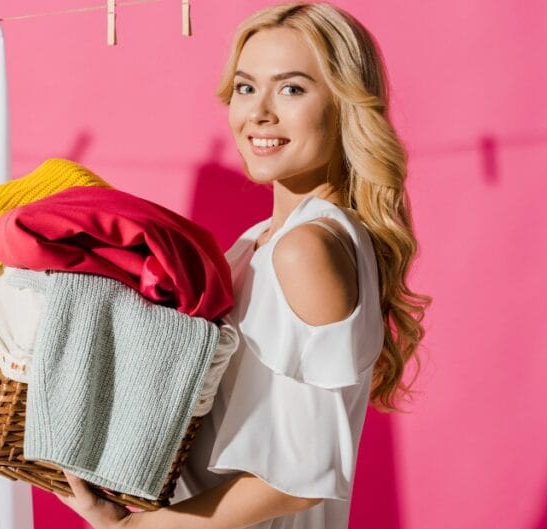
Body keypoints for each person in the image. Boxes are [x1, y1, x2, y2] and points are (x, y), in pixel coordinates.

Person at [55, 3, 431, 528]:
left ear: (345, 104)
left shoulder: (306, 248)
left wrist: (135, 528)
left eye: (292, 88)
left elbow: (299, 477)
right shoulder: (256, 244)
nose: (258, 113)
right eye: (246, 87)